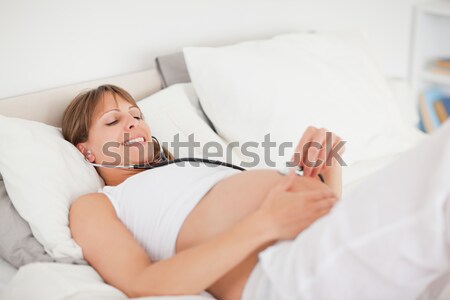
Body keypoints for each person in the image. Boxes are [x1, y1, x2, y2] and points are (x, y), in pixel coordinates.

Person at [62, 84, 450, 300]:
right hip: (284, 276)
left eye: (137, 115)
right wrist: (265, 224)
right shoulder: (98, 204)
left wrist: (325, 165)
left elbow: (320, 209)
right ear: (86, 150)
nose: (134, 124)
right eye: (113, 120)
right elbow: (140, 282)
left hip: (325, 242)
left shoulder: (190, 167)